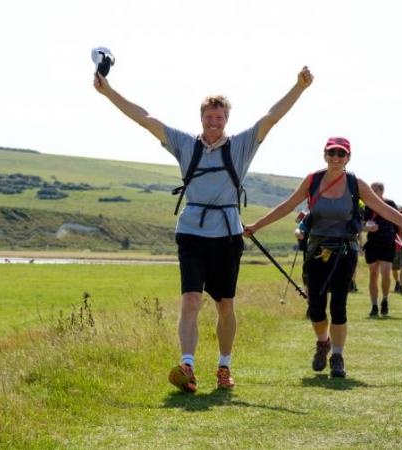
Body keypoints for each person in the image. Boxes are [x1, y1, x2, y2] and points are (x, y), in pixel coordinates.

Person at [94, 63, 314, 392]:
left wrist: (299, 87)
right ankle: (188, 365)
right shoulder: (185, 145)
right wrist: (108, 91)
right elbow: (145, 118)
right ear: (202, 118)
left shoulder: (241, 146)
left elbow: (271, 117)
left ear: (226, 120)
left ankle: (224, 366)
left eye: (219, 118)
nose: (214, 122)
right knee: (191, 300)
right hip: (192, 232)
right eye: (209, 117)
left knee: (226, 304)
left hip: (227, 234)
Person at [244, 137, 402, 378]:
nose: (335, 157)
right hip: (317, 249)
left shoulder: (356, 184)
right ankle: (323, 342)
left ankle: (338, 356)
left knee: (339, 305)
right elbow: (287, 205)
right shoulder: (312, 180)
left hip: (346, 250)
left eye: (340, 154)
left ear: (348, 158)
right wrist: (257, 225)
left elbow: (386, 211)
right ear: (324, 155)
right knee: (316, 306)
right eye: (331, 152)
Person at [363, 182, 398, 317]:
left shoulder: (390, 204)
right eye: (370, 190)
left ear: (381, 191)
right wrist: (367, 227)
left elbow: (399, 222)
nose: (371, 192)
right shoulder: (367, 206)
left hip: (388, 242)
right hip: (372, 243)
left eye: (374, 190)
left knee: (385, 273)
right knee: (373, 274)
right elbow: (361, 224)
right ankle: (374, 305)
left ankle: (384, 300)